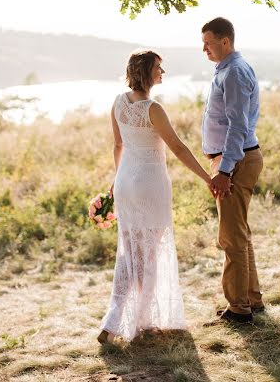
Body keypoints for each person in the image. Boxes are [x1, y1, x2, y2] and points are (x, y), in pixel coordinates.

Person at [98, 50, 216, 343]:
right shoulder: (153, 108)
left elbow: (117, 146)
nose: (162, 71)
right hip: (150, 185)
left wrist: (116, 183)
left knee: (128, 254)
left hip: (125, 182)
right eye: (158, 67)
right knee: (149, 254)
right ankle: (142, 321)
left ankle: (112, 322)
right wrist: (206, 177)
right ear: (146, 71)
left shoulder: (117, 103)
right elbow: (176, 147)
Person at [201, 17, 264, 324]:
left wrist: (224, 170)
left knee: (230, 237)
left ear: (225, 41)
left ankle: (239, 308)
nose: (204, 49)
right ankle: (251, 299)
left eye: (208, 43)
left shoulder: (234, 72)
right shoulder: (227, 70)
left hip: (235, 161)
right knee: (238, 233)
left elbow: (237, 125)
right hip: (233, 158)